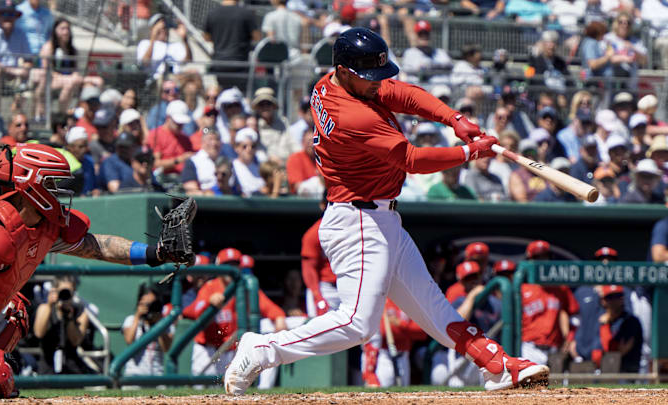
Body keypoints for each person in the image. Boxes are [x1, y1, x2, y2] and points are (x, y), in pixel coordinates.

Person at [223, 27, 548, 395]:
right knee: (357, 324)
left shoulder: (336, 82)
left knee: (433, 305)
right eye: (369, 75)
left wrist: (453, 119)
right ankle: (263, 348)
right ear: (345, 70)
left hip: (380, 217)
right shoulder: (351, 115)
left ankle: (495, 365)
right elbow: (409, 159)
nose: (378, 83)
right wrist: (469, 153)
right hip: (357, 220)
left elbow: (402, 93)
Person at [0, 142, 191, 398]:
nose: (59, 191)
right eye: (52, 184)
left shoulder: (41, 228)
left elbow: (99, 247)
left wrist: (157, 253)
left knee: (14, 315)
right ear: (31, 184)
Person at [182, 247, 287, 381]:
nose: (231, 269)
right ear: (219, 268)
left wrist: (280, 319)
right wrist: (210, 302)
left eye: (235, 265)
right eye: (227, 265)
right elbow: (195, 311)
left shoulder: (245, 286)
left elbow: (272, 309)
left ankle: (263, 387)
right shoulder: (210, 287)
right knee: (199, 391)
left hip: (231, 350)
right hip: (207, 349)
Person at [520, 241, 579, 365]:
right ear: (529, 261)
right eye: (537, 258)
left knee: (556, 384)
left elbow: (574, 315)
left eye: (544, 257)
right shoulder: (522, 288)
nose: (541, 262)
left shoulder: (560, 288)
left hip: (555, 349)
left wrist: (570, 338)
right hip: (529, 348)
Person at [33, 275, 92, 374]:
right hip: (47, 364)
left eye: (68, 292)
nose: (65, 295)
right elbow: (39, 333)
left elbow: (76, 341)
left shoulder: (80, 311)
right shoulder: (45, 308)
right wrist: (49, 305)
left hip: (71, 366)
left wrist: (69, 316)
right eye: (62, 291)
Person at [203, 0, 260, 92]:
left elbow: (207, 37)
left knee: (224, 96)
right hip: (240, 64)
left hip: (219, 64)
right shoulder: (246, 13)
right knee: (242, 97)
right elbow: (256, 37)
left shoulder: (212, 13)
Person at [121, 284, 174, 376]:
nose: (148, 308)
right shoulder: (130, 320)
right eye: (145, 304)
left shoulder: (166, 325)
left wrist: (158, 323)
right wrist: (138, 316)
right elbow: (129, 341)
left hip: (156, 375)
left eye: (151, 304)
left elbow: (166, 348)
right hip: (134, 374)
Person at [301, 195, 339, 318]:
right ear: (323, 205)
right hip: (326, 289)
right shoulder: (314, 233)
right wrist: (317, 296)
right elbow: (309, 268)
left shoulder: (352, 229)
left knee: (368, 335)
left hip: (349, 287)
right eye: (331, 204)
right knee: (322, 332)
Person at [593, 285, 643, 373]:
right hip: (602, 371)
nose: (614, 301)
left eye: (617, 296)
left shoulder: (631, 321)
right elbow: (595, 353)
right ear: (603, 301)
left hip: (626, 373)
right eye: (610, 297)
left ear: (622, 299)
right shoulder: (600, 320)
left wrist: (605, 326)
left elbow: (615, 352)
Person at [145, 100, 195, 175]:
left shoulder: (185, 139)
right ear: (168, 118)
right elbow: (155, 164)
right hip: (162, 179)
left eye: (182, 123)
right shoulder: (156, 135)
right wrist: (179, 160)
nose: (180, 125)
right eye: (177, 122)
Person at [136, 14, 191, 78]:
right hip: (156, 79)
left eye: (164, 27)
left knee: (194, 73)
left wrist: (184, 39)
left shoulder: (176, 45)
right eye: (158, 27)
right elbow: (145, 63)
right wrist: (153, 37)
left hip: (176, 78)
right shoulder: (145, 43)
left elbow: (187, 60)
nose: (163, 29)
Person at [252, 87, 298, 163]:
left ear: (273, 106)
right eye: (261, 105)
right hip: (265, 168)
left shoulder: (283, 123)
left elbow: (293, 144)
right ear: (257, 108)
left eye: (268, 104)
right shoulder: (255, 126)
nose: (265, 107)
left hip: (286, 165)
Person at [401, 21, 452, 85]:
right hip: (417, 87)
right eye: (421, 34)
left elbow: (449, 64)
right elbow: (405, 72)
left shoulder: (439, 52)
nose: (424, 37)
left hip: (436, 87)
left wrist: (430, 65)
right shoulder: (409, 53)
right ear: (416, 36)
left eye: (426, 34)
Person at [181, 128, 223, 195]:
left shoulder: (227, 161)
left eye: (217, 139)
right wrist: (207, 194)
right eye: (210, 139)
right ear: (202, 142)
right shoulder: (193, 161)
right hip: (206, 202)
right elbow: (190, 190)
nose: (214, 143)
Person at [286, 128, 323, 197]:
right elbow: (297, 187)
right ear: (303, 142)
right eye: (309, 141)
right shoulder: (295, 158)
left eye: (313, 141)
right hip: (300, 200)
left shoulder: (322, 158)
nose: (311, 145)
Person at [231, 127, 265, 196]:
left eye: (253, 146)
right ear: (237, 148)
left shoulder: (260, 168)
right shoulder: (231, 167)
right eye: (244, 146)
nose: (249, 149)